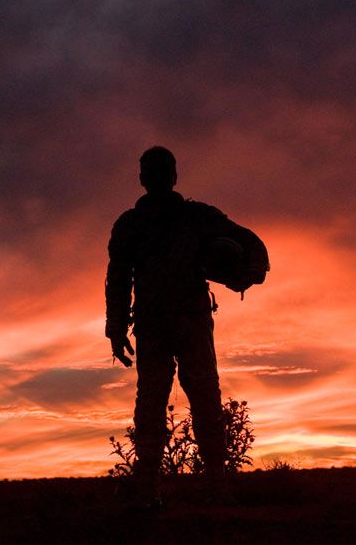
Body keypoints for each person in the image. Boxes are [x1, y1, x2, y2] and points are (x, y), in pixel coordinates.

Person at [105, 146, 262, 507]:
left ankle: (212, 486)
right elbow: (118, 278)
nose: (158, 177)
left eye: (162, 171)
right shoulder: (136, 224)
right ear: (146, 178)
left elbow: (250, 243)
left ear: (167, 176)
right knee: (158, 401)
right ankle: (156, 488)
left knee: (197, 398)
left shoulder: (194, 217)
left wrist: (251, 271)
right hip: (158, 324)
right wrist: (115, 327)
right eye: (154, 171)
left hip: (183, 320)